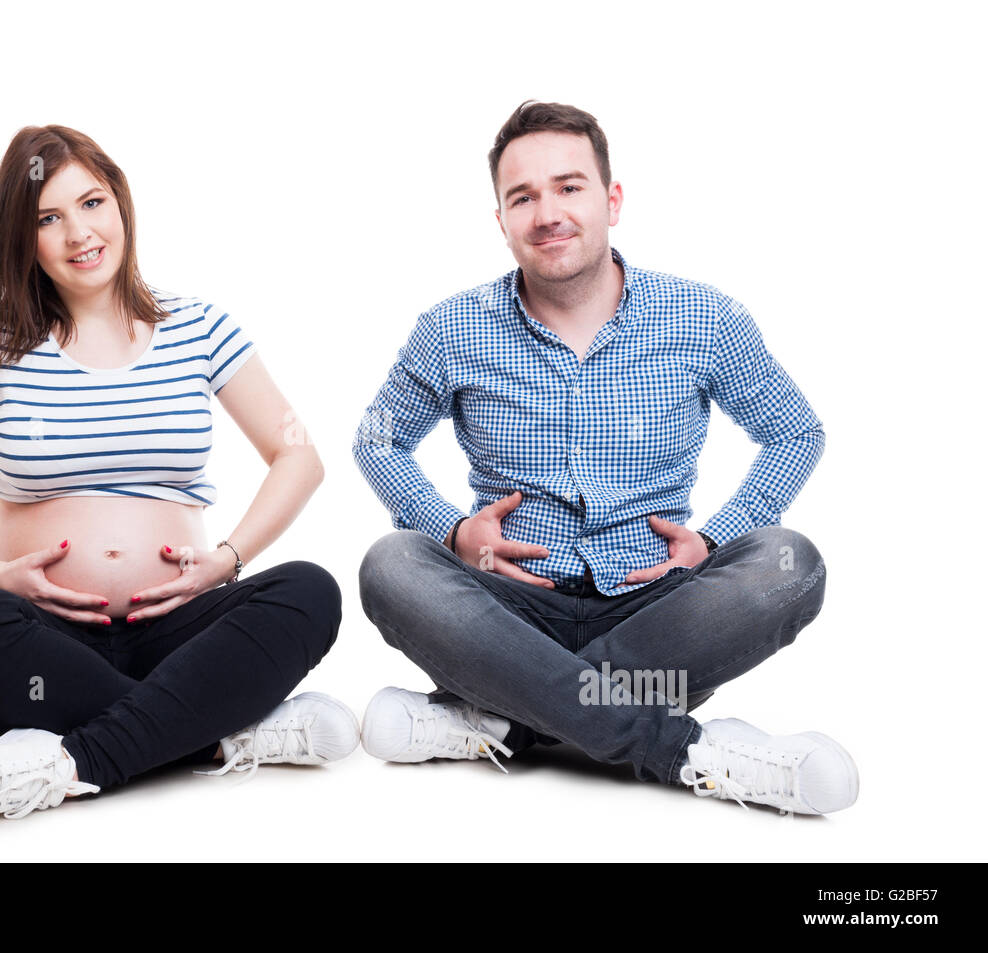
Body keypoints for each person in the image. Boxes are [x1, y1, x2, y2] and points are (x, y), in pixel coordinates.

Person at [351, 101, 858, 816]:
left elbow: (796, 430)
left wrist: (715, 538)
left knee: (791, 562)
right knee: (392, 564)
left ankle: (505, 716)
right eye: (522, 197)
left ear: (611, 200)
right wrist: (452, 529)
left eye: (569, 187)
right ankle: (683, 751)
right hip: (511, 607)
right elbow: (376, 436)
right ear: (500, 219)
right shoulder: (449, 328)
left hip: (659, 612)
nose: (547, 212)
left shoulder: (704, 317)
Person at [0, 125, 356, 822]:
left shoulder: (199, 327)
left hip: (183, 628)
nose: (78, 233)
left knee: (310, 591)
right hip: (48, 640)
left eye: (92, 203)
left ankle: (71, 761)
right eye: (48, 217)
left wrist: (227, 559)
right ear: (23, 236)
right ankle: (216, 730)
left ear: (121, 204)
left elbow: (299, 454)